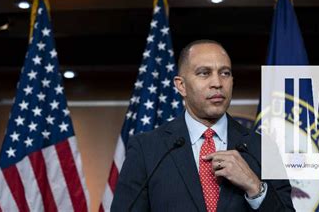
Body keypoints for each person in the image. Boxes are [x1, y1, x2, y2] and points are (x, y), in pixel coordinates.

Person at [111, 40, 294, 211]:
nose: (217, 83)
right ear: (181, 85)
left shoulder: (263, 148)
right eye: (204, 73)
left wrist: (255, 187)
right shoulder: (147, 149)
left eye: (225, 73)